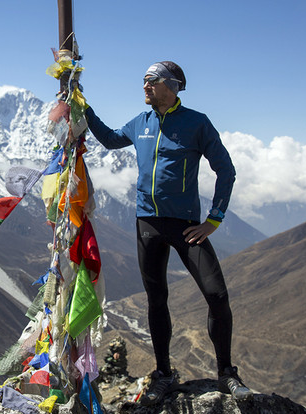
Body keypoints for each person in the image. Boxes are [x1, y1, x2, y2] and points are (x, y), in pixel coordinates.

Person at [84, 61, 253, 405]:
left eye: (151, 81)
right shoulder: (141, 122)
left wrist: (214, 219)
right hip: (147, 223)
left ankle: (227, 374)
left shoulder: (196, 123)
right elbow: (111, 139)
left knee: (217, 296)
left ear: (172, 86)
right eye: (143, 81)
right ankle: (163, 373)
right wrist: (82, 108)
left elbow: (226, 170)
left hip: (186, 225)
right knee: (156, 300)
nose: (144, 86)